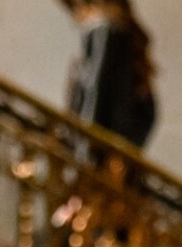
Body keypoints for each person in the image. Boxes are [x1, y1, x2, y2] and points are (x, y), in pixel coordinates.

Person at [63, 0, 158, 148]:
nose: (77, 17)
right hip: (98, 145)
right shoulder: (97, 47)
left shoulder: (109, 37)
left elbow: (106, 99)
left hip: (105, 148)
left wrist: (117, 147)